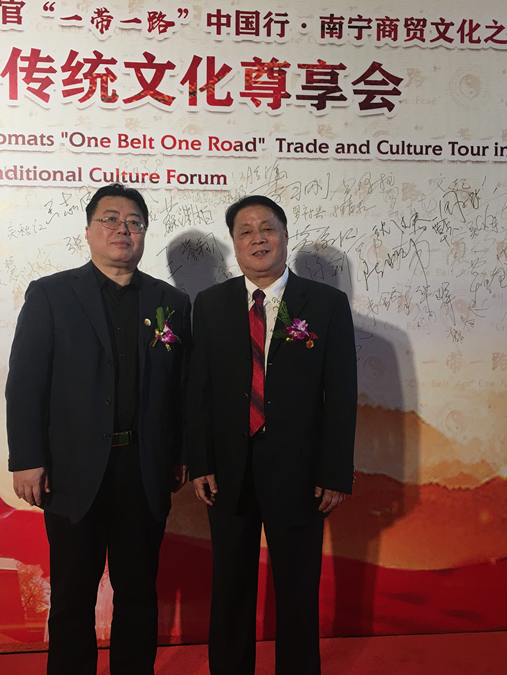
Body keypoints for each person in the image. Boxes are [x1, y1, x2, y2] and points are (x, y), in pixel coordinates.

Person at [6, 183, 191, 675]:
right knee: (72, 597)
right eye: (110, 219)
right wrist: (27, 458)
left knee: (139, 595)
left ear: (144, 233)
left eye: (133, 221)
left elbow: (181, 388)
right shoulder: (51, 294)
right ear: (88, 231)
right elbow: (25, 382)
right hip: (71, 471)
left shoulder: (170, 301)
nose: (122, 229)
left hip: (144, 470)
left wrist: (179, 454)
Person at [186, 195, 357, 675]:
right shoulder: (212, 304)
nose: (257, 238)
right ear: (234, 243)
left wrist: (334, 471)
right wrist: (201, 461)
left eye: (267, 228)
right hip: (229, 472)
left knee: (298, 593)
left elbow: (341, 393)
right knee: (231, 589)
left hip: (300, 472)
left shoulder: (325, 304)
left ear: (284, 236)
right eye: (245, 231)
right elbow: (199, 390)